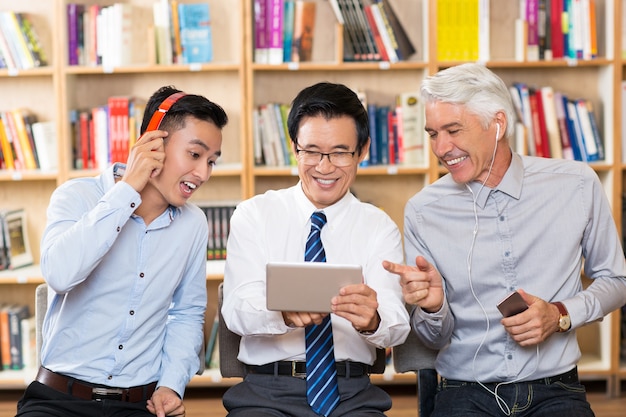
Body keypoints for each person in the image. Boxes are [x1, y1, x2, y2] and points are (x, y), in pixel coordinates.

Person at [383, 62, 626, 416]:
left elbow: (617, 281)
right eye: (433, 133)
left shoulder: (576, 184)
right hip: (463, 392)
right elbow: (433, 339)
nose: (441, 147)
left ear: (497, 124)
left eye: (453, 130)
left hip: (555, 389)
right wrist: (433, 307)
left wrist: (560, 314)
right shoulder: (423, 211)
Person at [16, 86, 228, 417]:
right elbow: (59, 274)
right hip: (58, 399)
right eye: (195, 155)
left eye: (211, 161)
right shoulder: (77, 197)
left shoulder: (193, 225)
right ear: (153, 144)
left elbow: (187, 312)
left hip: (138, 404)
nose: (203, 174)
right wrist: (126, 190)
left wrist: (171, 385)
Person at [221, 82, 410, 416]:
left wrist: (373, 320)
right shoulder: (254, 215)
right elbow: (236, 310)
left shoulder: (379, 227)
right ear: (295, 148)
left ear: (362, 151)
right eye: (311, 151)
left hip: (351, 394)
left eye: (339, 152)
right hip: (267, 391)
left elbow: (396, 322)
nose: (324, 167)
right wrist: (281, 314)